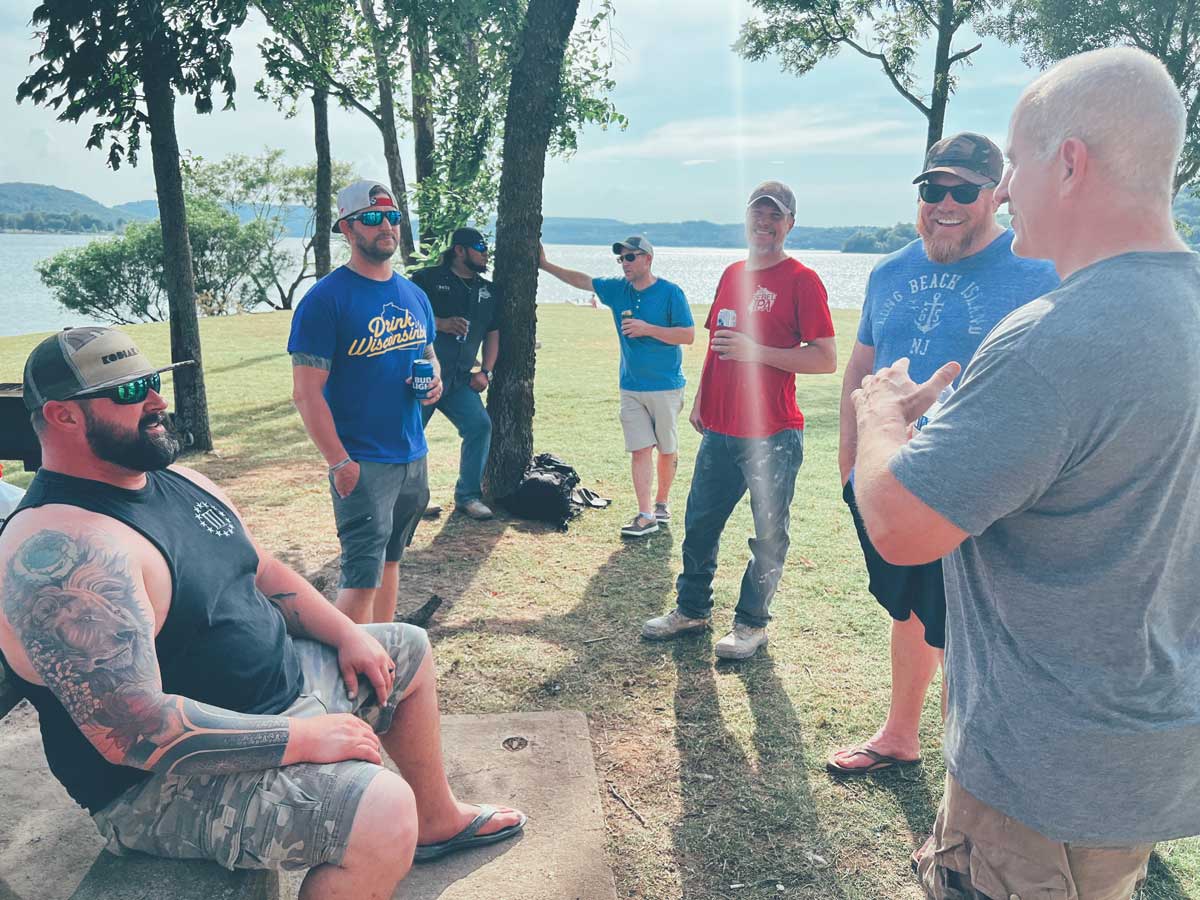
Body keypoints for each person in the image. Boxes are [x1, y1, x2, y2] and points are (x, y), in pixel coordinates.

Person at [0, 327, 525, 900]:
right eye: (131, 392)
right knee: (381, 811)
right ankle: (403, 825)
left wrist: (348, 632)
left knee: (404, 648)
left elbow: (261, 569)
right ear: (63, 417)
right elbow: (136, 734)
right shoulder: (61, 552)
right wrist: (303, 737)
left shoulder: (175, 480)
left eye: (155, 382)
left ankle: (438, 821)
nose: (158, 402)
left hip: (278, 696)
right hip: (161, 786)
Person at [852, 48, 1200, 897]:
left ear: (1070, 163)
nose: (1004, 192)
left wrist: (878, 419)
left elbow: (901, 526)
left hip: (1041, 783)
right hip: (1145, 752)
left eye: (1015, 166)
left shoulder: (1055, 335)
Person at [826, 134, 1058, 777]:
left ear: (997, 195)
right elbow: (861, 366)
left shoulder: (1042, 270)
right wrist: (851, 464)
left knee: (975, 636)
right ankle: (901, 734)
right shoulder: (889, 270)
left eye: (964, 190)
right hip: (896, 481)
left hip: (991, 493)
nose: (945, 203)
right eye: (933, 189)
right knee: (911, 609)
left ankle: (975, 774)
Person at [642, 182, 837, 659]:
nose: (764, 223)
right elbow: (717, 345)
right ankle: (692, 610)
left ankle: (751, 624)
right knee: (699, 524)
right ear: (747, 219)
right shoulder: (731, 274)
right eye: (758, 214)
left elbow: (826, 359)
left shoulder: (802, 279)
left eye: (775, 215)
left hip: (773, 433)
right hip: (720, 430)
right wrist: (701, 401)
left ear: (790, 223)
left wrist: (759, 353)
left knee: (768, 534)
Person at [289, 180, 443, 625]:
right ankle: (345, 684)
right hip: (361, 460)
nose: (386, 227)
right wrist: (339, 461)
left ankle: (382, 660)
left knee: (391, 560)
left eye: (392, 217)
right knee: (360, 576)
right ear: (347, 228)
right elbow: (306, 392)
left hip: (412, 454)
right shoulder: (325, 300)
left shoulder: (414, 295)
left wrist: (434, 382)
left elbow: (429, 358)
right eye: (372, 218)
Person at [539, 236, 695, 537]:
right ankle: (645, 514)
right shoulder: (616, 290)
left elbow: (687, 335)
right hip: (631, 387)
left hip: (666, 386)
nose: (624, 263)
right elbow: (581, 280)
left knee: (667, 449)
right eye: (621, 259)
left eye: (630, 258)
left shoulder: (670, 293)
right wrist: (545, 265)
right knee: (640, 450)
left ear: (647, 259)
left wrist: (648, 329)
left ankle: (662, 502)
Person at [409, 228, 500, 522]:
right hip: (424, 378)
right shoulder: (426, 280)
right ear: (459, 251)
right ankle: (412, 500)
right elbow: (406, 319)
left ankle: (468, 497)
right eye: (479, 248)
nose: (486, 253)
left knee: (479, 426)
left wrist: (485, 371)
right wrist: (442, 324)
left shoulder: (488, 291)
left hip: (461, 380)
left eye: (486, 248)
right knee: (409, 435)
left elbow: (493, 333)